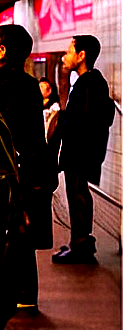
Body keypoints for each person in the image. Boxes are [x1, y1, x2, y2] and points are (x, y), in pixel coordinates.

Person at [0, 25, 53, 310]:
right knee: (19, 235)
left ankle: (7, 296)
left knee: (12, 233)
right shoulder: (22, 82)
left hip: (21, 169)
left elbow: (3, 130)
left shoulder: (9, 85)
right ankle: (23, 295)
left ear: (1, 51)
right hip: (30, 167)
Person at [53, 35, 115, 264]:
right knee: (78, 194)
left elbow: (86, 121)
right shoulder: (87, 82)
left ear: (81, 56)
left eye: (69, 51)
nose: (64, 56)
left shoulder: (89, 83)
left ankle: (80, 244)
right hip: (80, 151)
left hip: (80, 152)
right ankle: (79, 241)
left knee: (77, 194)